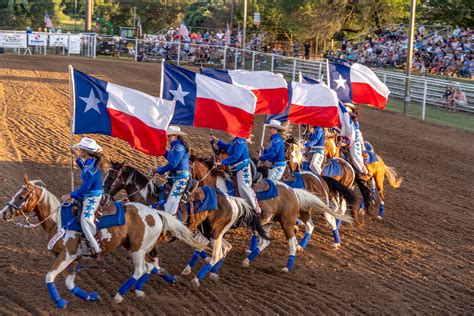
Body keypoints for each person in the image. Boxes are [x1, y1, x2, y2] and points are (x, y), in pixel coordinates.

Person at [61, 137, 107, 256]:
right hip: (87, 195)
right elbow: (83, 167)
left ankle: (96, 249)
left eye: (81, 149)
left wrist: (70, 195)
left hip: (92, 197)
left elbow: (85, 188)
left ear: (86, 152)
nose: (79, 150)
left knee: (85, 220)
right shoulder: (90, 162)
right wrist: (76, 155)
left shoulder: (93, 169)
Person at [211, 133, 260, 212]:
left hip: (243, 168)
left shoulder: (240, 141)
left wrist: (222, 162)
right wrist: (217, 141)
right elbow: (227, 148)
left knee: (243, 187)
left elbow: (236, 156)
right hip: (236, 168)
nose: (229, 133)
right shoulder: (234, 141)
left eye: (231, 132)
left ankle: (256, 210)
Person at [155, 126, 190, 216]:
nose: (167, 138)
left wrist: (160, 170)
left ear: (175, 136)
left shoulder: (179, 147)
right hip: (174, 176)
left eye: (169, 136)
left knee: (172, 201)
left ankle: (171, 220)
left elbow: (173, 163)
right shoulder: (175, 147)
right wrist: (162, 150)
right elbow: (171, 158)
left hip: (181, 178)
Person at [346, 104, 370, 179]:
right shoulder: (346, 117)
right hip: (347, 138)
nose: (346, 108)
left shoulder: (353, 118)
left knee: (355, 156)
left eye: (347, 107)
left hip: (354, 140)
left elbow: (353, 131)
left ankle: (364, 172)